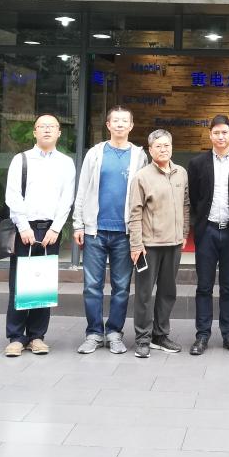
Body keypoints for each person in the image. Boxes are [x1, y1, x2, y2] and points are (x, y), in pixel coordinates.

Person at [72, 106, 148, 356]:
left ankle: (114, 332)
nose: (120, 125)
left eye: (124, 121)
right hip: (95, 230)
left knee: (121, 286)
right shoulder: (95, 153)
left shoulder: (139, 156)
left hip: (124, 232)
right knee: (92, 286)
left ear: (131, 126)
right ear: (108, 125)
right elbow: (83, 188)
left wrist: (139, 233)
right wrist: (78, 223)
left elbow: (143, 196)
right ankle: (94, 333)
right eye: (115, 121)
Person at [3, 114, 76, 357]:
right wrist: (23, 226)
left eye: (51, 127)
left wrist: (56, 228)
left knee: (43, 283)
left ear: (59, 133)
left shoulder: (66, 163)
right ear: (34, 132)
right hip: (24, 228)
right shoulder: (21, 159)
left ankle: (37, 336)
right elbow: (13, 195)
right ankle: (16, 337)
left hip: (50, 231)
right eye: (42, 126)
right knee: (19, 283)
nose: (46, 130)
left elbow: (67, 198)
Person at [186, 115, 229, 356]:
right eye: (216, 133)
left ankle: (228, 334)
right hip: (208, 231)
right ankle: (202, 335)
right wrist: (198, 224)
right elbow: (194, 197)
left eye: (225, 132)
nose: (221, 137)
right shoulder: (197, 163)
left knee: (228, 287)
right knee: (203, 286)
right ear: (210, 135)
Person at [128, 129, 190, 358]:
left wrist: (184, 232)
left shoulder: (180, 172)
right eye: (159, 146)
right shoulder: (142, 177)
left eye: (167, 145)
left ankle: (160, 335)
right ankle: (142, 338)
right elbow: (135, 212)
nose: (163, 149)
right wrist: (136, 244)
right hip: (149, 246)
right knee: (144, 294)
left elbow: (185, 204)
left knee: (167, 292)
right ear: (150, 150)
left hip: (174, 243)